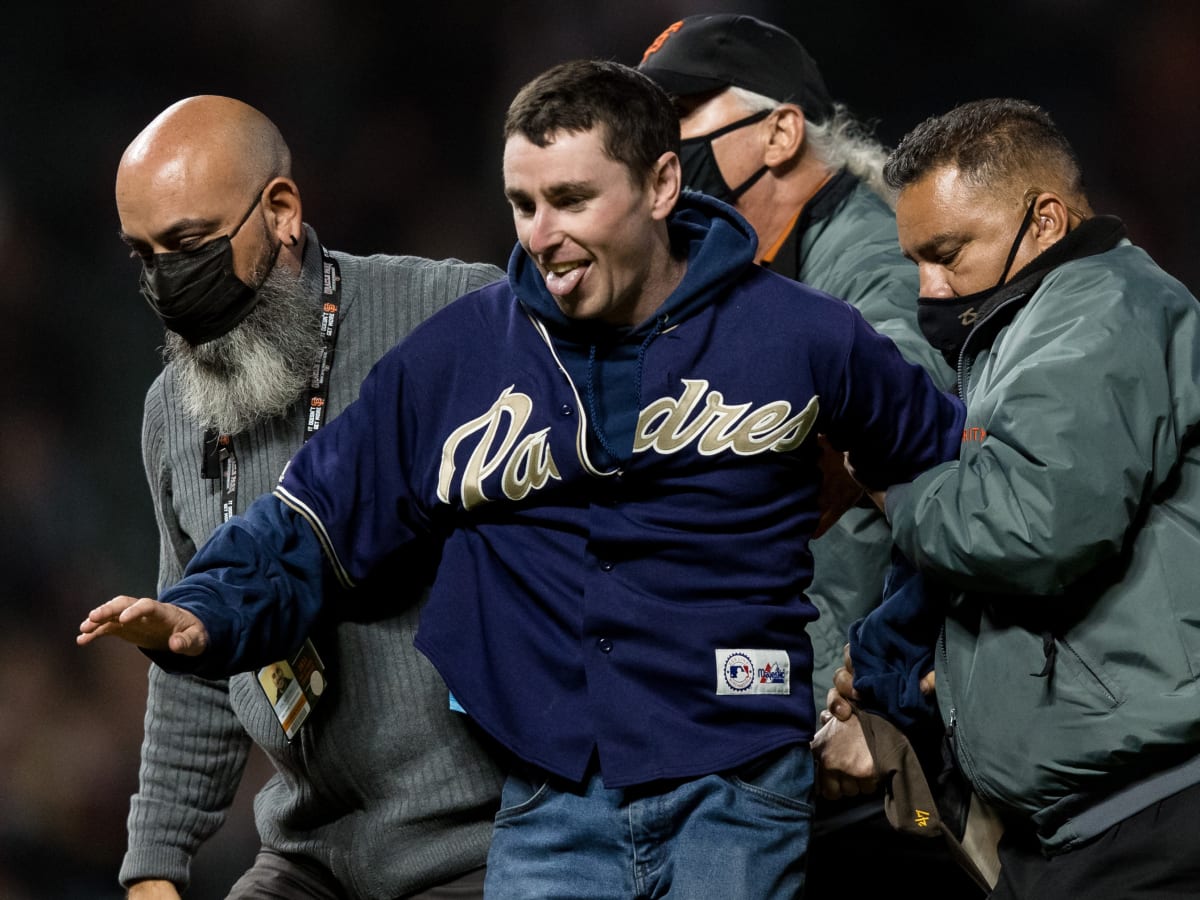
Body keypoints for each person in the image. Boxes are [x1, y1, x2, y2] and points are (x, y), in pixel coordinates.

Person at [80, 61, 965, 900]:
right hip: (554, 799)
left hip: (732, 782)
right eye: (523, 204)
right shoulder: (467, 350)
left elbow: (950, 484)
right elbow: (312, 518)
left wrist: (882, 678)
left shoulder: (800, 334)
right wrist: (207, 608)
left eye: (571, 199)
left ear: (662, 187)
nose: (542, 234)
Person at [108, 95, 506, 899]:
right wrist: (154, 862)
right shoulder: (171, 409)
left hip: (485, 835)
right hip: (312, 849)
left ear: (282, 211)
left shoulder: (452, 313)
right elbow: (189, 649)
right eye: (142, 256)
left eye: (187, 245)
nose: (165, 281)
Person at [822, 97, 1200, 898]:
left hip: (1152, 818)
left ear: (1048, 220)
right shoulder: (1022, 335)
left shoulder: (1099, 316)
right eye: (914, 258)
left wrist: (893, 486)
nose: (927, 286)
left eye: (948, 252)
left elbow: (1035, 527)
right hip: (1082, 827)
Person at [637, 14, 977, 897]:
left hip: (879, 726)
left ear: (782, 132)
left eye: (681, 113)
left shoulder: (866, 251)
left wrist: (846, 689)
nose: (659, 147)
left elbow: (913, 404)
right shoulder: (754, 267)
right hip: (804, 704)